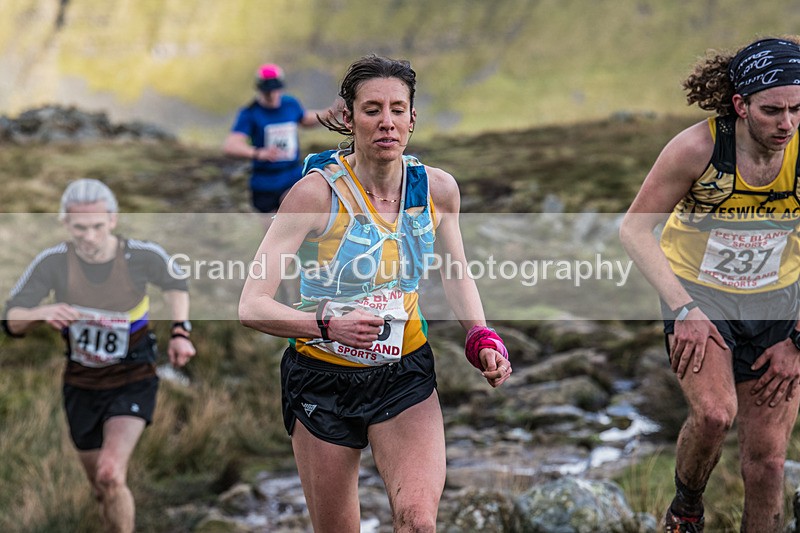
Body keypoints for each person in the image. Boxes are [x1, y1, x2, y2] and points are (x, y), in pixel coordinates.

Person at [238, 54, 512, 532]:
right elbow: (251, 305)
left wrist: (481, 336)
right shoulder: (314, 195)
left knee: (418, 523)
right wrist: (327, 326)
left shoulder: (438, 191)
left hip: (403, 372)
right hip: (321, 378)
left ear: (412, 118)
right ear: (348, 117)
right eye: (371, 110)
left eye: (397, 109)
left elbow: (455, 271)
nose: (386, 122)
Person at [620, 37, 800, 532]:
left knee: (766, 463)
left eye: (797, 109)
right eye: (772, 110)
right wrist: (683, 310)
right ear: (741, 105)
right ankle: (687, 509)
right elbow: (634, 229)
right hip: (700, 295)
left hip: (779, 302)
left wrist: (798, 340)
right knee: (716, 415)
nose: (786, 123)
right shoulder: (698, 148)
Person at [2, 179, 196, 533]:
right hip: (81, 384)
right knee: (100, 488)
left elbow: (176, 284)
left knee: (110, 474)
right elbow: (11, 321)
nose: (88, 236)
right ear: (65, 224)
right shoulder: (52, 263)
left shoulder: (142, 255)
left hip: (133, 375)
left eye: (96, 226)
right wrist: (41, 312)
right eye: (79, 228)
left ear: (113, 219)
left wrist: (180, 333)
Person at [223, 62, 339, 214]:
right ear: (260, 89)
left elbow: (306, 119)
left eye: (275, 90)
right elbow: (231, 145)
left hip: (291, 176)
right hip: (264, 183)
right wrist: (258, 153)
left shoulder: (290, 104)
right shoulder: (250, 113)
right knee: (271, 232)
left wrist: (332, 112)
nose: (272, 95)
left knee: (295, 217)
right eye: (267, 91)